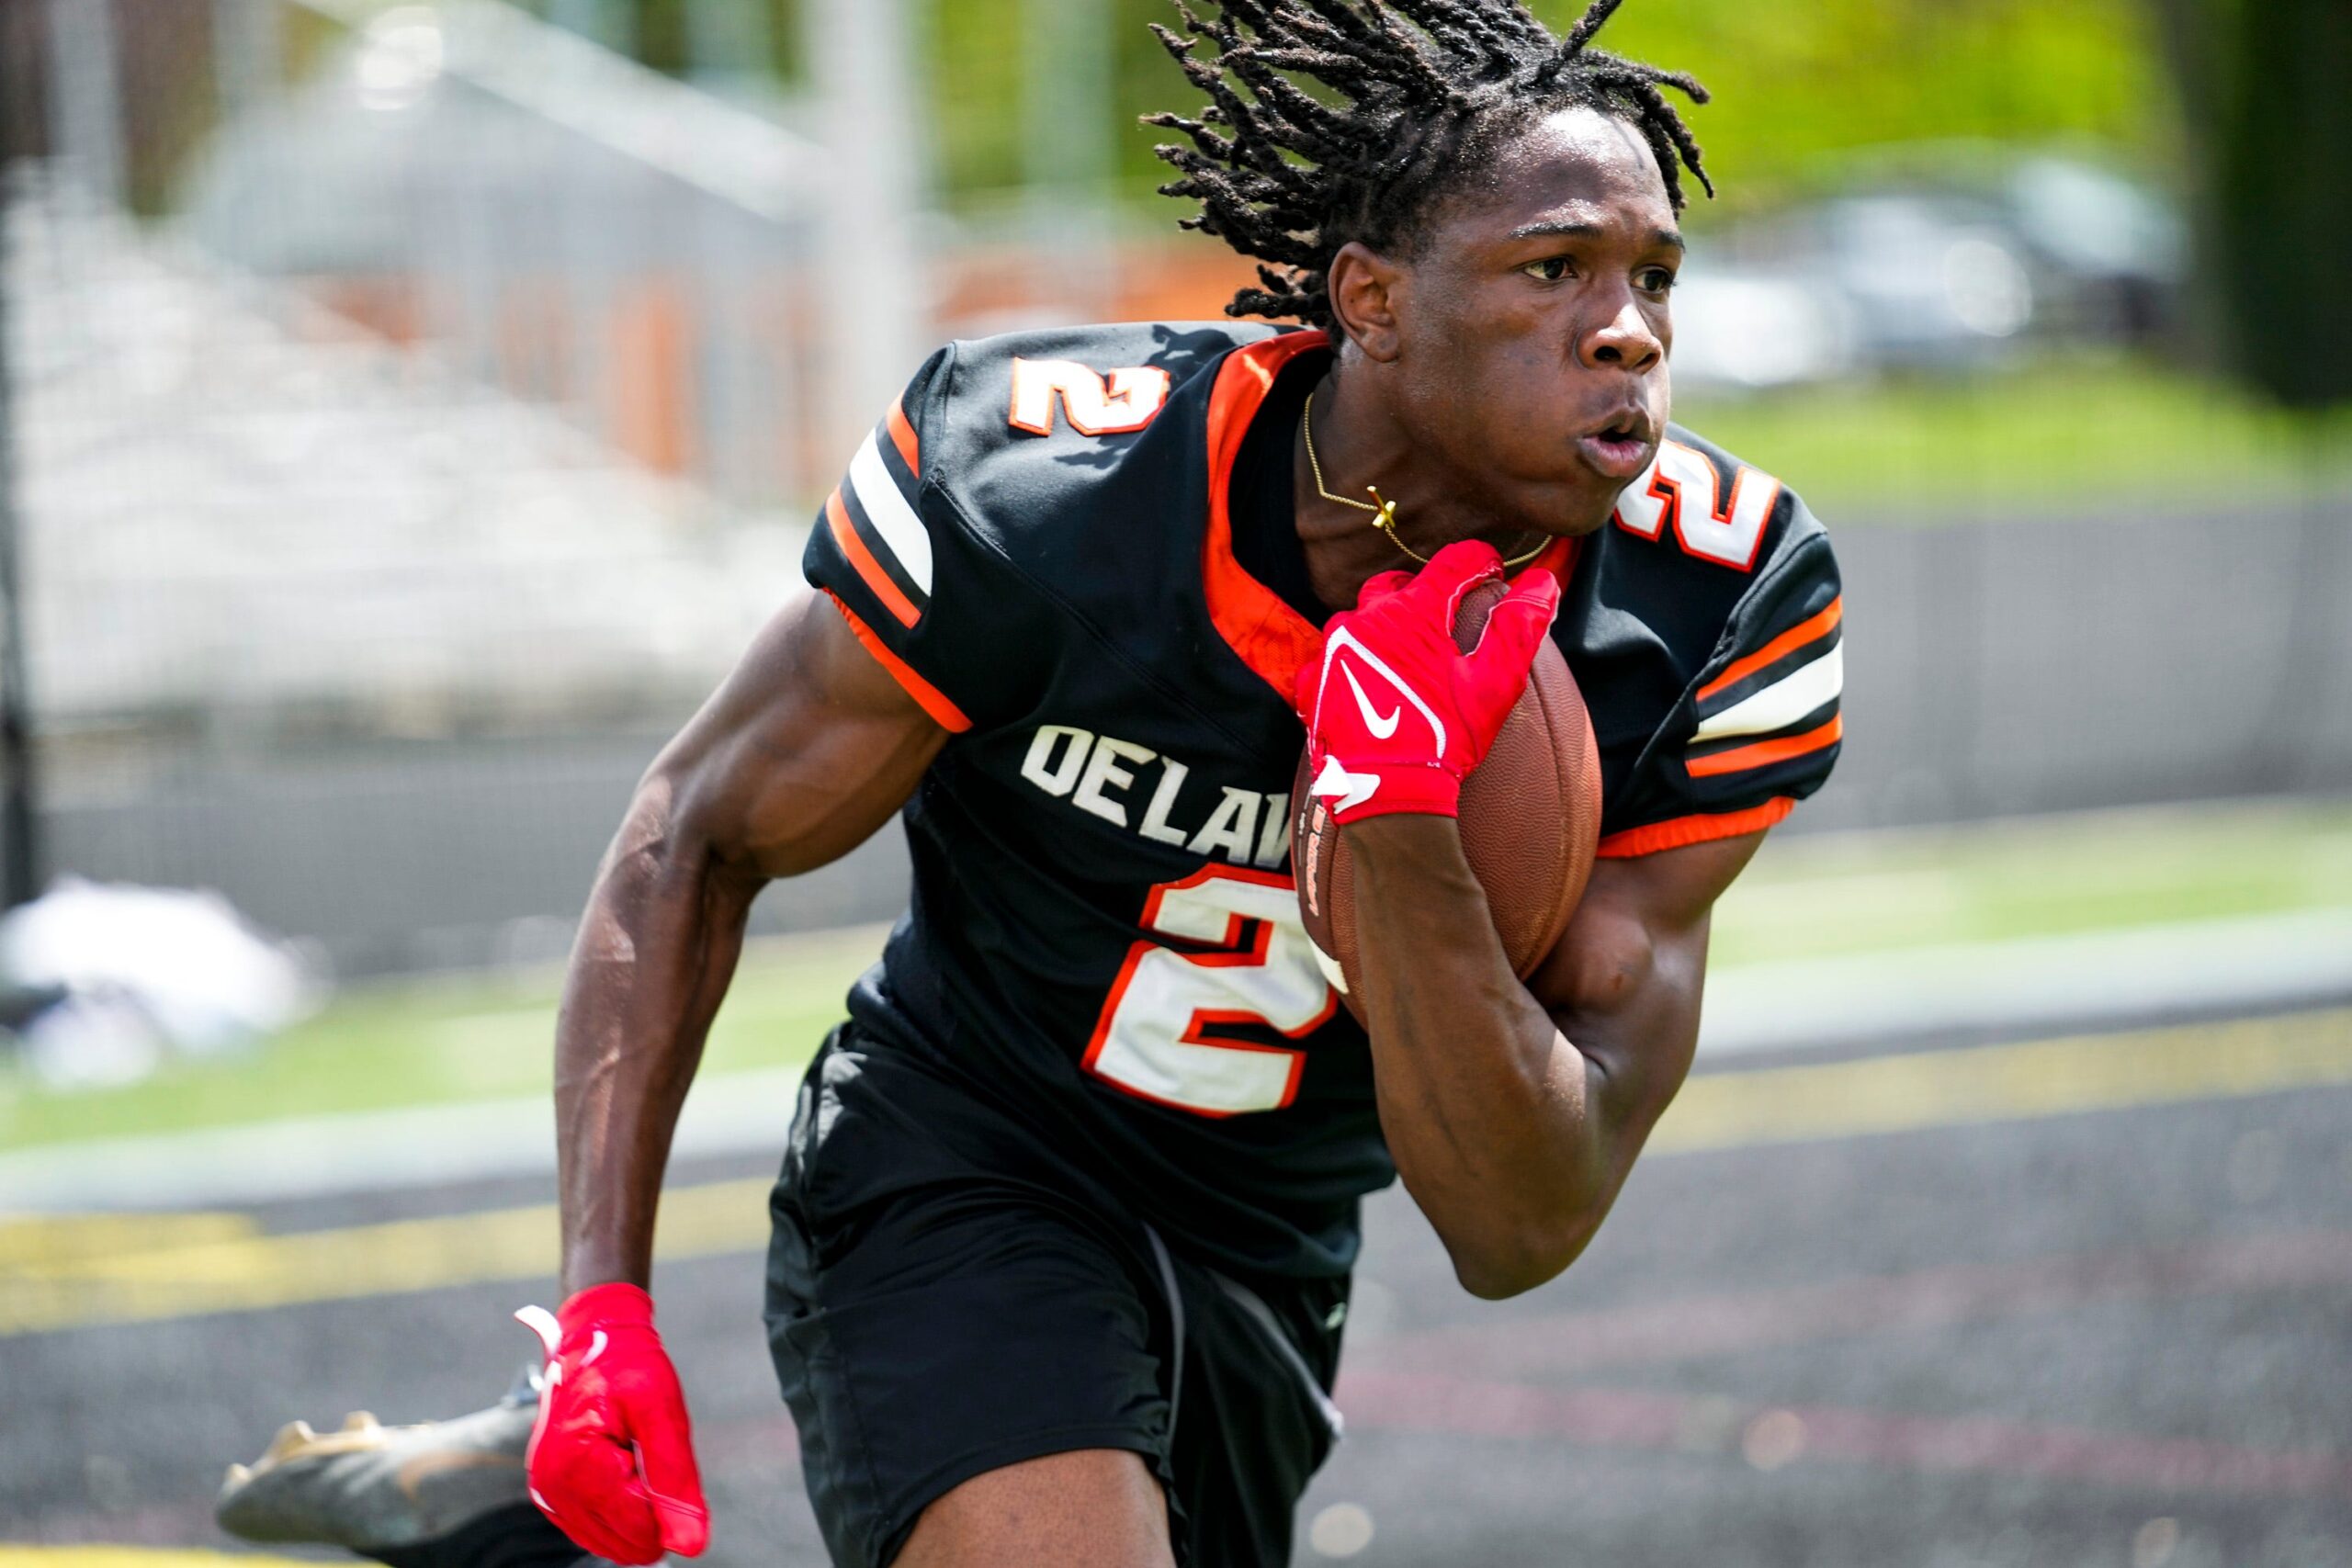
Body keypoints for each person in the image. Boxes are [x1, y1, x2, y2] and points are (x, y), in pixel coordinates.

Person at [219, 2, 1844, 1564]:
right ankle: (540, 1442)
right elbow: (699, 835)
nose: (1628, 324)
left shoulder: (1717, 601)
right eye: (1554, 267)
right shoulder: (1058, 493)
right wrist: (599, 1308)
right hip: (972, 1151)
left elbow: (1522, 1225)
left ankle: (514, 1540)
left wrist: (1398, 817)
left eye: (1651, 274)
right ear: (1371, 300)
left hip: (1270, 1248)